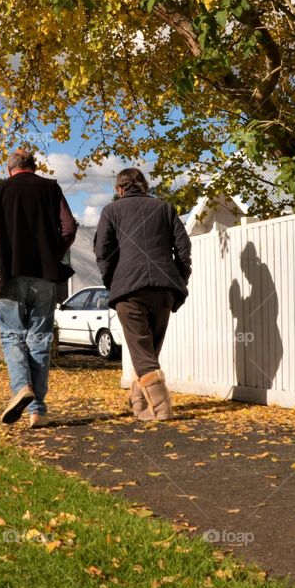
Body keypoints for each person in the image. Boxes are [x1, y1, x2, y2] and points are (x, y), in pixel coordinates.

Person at [0, 148, 77, 428]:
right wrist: (52, 255)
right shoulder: (51, 189)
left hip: (9, 277)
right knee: (39, 340)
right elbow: (68, 228)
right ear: (34, 166)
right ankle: (38, 412)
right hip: (43, 277)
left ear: (10, 170)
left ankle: (21, 387)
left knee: (11, 337)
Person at [94, 168, 191, 420]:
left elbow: (102, 253)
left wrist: (113, 282)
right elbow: (183, 248)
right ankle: (139, 404)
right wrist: (179, 279)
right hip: (163, 289)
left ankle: (161, 409)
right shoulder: (165, 208)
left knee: (143, 354)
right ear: (144, 186)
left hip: (130, 290)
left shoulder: (111, 211)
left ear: (119, 189)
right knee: (147, 352)